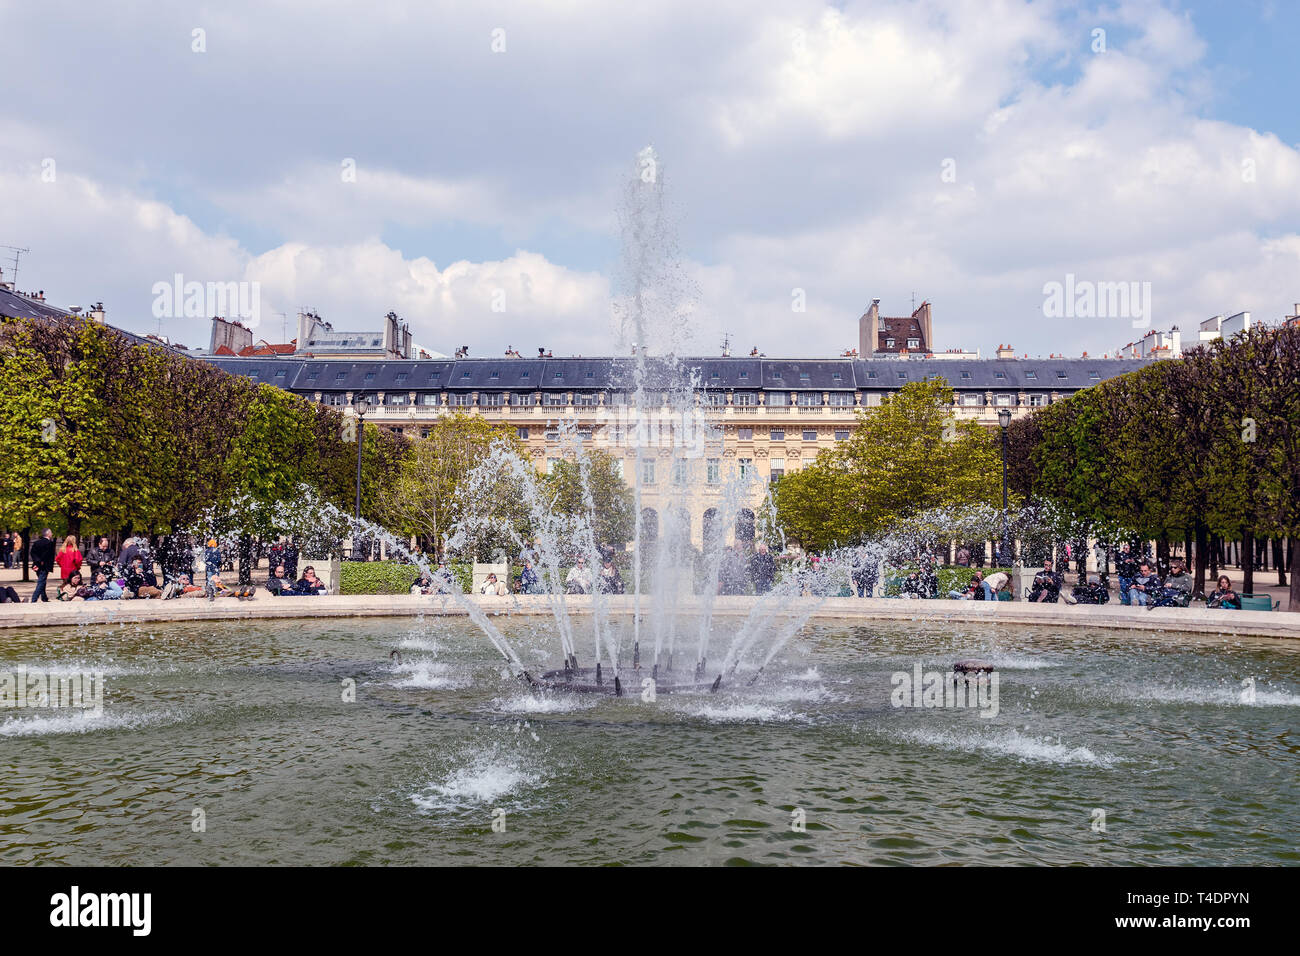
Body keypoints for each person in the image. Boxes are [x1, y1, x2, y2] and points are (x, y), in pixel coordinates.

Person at [29, 528, 55, 602]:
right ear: (48, 534)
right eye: (51, 533)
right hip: (44, 565)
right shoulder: (49, 543)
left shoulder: (37, 542)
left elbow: (32, 553)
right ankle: (34, 598)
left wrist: (37, 561)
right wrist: (41, 561)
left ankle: (44, 597)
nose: (52, 534)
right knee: (41, 582)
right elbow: (47, 554)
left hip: (37, 564)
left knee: (42, 581)